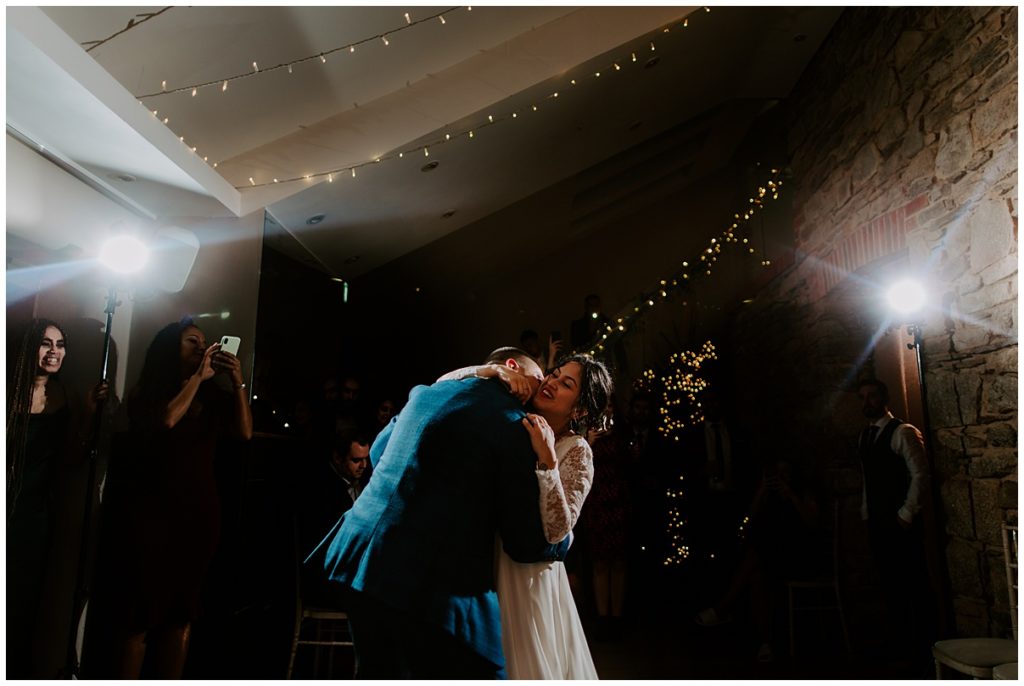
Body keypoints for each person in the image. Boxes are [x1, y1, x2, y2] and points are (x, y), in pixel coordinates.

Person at [306, 347, 574, 679]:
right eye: (540, 377)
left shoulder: (431, 391)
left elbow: (378, 451)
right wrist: (562, 540)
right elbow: (524, 543)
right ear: (511, 368)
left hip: (359, 559)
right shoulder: (516, 425)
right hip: (427, 586)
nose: (544, 384)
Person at [84, 318, 252, 679]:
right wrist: (197, 379)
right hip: (151, 516)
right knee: (139, 617)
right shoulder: (147, 393)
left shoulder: (213, 397)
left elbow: (244, 432)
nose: (202, 348)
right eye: (192, 342)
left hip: (198, 516)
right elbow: (166, 421)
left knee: (182, 615)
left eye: (204, 342)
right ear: (169, 349)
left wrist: (236, 380)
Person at [441, 352, 613, 679]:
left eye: (566, 384)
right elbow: (441, 385)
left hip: (528, 579)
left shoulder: (576, 450)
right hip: (485, 560)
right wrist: (489, 370)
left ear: (578, 408)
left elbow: (558, 529)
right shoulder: (515, 414)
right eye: (554, 373)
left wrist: (547, 460)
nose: (550, 383)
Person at [6, 318, 108, 678]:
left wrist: (90, 414)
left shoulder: (63, 396)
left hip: (34, 519)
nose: (54, 352)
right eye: (46, 343)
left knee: (20, 609)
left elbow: (70, 460)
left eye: (60, 344)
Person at [694, 454, 820, 662]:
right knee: (757, 573)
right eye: (777, 474)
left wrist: (792, 497)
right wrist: (761, 491)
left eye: (785, 473)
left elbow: (812, 524)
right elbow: (750, 523)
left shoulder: (802, 493)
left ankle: (723, 608)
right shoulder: (769, 497)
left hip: (798, 558)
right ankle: (765, 644)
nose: (781, 478)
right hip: (772, 558)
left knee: (755, 557)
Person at [856, 377, 934, 665]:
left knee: (914, 584)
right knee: (889, 586)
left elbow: (920, 474)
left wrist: (906, 514)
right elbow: (868, 479)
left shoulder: (902, 432)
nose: (867, 402)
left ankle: (924, 651)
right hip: (877, 522)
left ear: (883, 397)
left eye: (872, 396)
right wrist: (866, 513)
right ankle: (901, 649)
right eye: (862, 397)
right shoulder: (864, 436)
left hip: (902, 523)